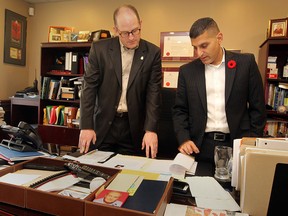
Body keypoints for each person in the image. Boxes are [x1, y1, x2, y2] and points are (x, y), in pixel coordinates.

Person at [172, 17, 266, 162]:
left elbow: (258, 108)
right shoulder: (187, 71)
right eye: (195, 47)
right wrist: (184, 139)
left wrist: (252, 142)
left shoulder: (245, 64)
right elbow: (180, 111)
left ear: (219, 38)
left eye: (204, 45)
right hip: (200, 146)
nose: (199, 53)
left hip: (238, 144)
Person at [78, 5, 162, 158]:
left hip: (133, 128)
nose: (131, 37)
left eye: (135, 30)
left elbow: (153, 94)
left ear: (141, 24)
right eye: (125, 33)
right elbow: (89, 88)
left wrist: (151, 130)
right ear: (116, 30)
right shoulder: (99, 49)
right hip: (103, 126)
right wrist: (86, 126)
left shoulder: (153, 53)